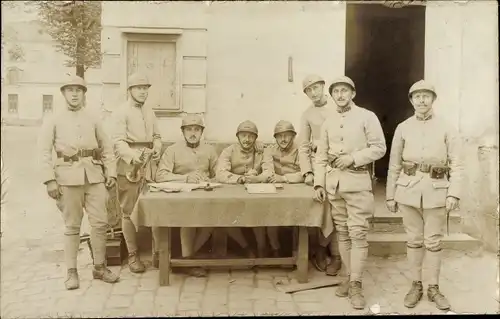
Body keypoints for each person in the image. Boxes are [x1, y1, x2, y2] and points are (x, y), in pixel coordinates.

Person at [386, 80, 462, 311]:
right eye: (417, 96)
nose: (421, 100)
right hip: (408, 191)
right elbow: (394, 164)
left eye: (426, 95)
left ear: (433, 99)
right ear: (411, 100)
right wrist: (391, 194)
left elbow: (457, 164)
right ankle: (416, 284)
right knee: (413, 240)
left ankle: (434, 287)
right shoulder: (402, 127)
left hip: (437, 190)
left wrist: (454, 193)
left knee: (434, 241)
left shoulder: (447, 127)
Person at [38, 75, 120, 290]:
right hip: (66, 178)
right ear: (63, 93)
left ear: (84, 94)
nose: (74, 94)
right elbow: (43, 152)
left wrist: (110, 172)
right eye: (70, 90)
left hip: (94, 177)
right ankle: (72, 272)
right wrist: (49, 180)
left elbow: (107, 147)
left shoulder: (93, 118)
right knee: (72, 226)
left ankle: (100, 267)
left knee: (100, 223)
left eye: (78, 90)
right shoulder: (53, 119)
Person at [314, 76, 386, 310]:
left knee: (358, 234)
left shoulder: (367, 116)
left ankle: (356, 284)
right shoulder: (328, 122)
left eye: (345, 91)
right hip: (334, 186)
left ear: (353, 93)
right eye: (336, 92)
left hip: (357, 182)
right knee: (342, 233)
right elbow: (321, 155)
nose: (340, 95)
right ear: (332, 95)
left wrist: (352, 158)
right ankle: (348, 276)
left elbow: (379, 148)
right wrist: (319, 183)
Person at [112, 73, 163, 273]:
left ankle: (158, 252)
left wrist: (157, 147)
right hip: (129, 165)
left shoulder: (150, 112)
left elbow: (157, 136)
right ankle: (133, 255)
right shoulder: (120, 112)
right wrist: (133, 157)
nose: (143, 91)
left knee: (155, 207)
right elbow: (117, 142)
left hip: (149, 164)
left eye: (145, 88)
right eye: (139, 88)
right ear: (130, 90)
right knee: (128, 211)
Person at [156, 114, 217, 277]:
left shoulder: (209, 150)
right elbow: (160, 175)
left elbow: (218, 174)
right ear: (182, 132)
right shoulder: (172, 150)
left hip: (204, 195)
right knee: (188, 218)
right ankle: (187, 260)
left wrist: (209, 179)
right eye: (189, 129)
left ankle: (183, 258)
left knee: (214, 220)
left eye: (196, 129)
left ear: (201, 132)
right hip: (180, 198)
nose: (193, 133)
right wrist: (185, 178)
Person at [297, 74, 342, 275]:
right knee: (324, 209)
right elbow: (304, 146)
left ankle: (338, 255)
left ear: (324, 87)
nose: (313, 93)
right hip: (320, 167)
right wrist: (308, 172)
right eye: (309, 90)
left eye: (316, 88)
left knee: (340, 210)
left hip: (341, 164)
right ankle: (322, 250)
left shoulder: (338, 106)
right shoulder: (307, 115)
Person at [216, 120, 271, 257]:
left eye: (251, 136)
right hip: (233, 193)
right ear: (238, 137)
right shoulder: (228, 151)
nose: (247, 139)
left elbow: (269, 172)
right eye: (243, 135)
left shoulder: (261, 150)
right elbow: (220, 173)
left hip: (256, 193)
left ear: (256, 138)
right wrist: (240, 179)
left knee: (259, 213)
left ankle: (262, 248)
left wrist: (257, 178)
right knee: (226, 215)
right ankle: (245, 247)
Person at [261, 120, 305, 255]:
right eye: (280, 136)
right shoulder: (270, 150)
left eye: (287, 135)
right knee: (268, 213)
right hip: (276, 189)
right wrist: (270, 176)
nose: (283, 139)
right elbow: (267, 168)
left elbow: (306, 173)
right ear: (275, 138)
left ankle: (297, 252)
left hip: (297, 188)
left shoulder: (301, 149)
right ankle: (275, 248)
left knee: (298, 218)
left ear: (293, 136)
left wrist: (285, 178)